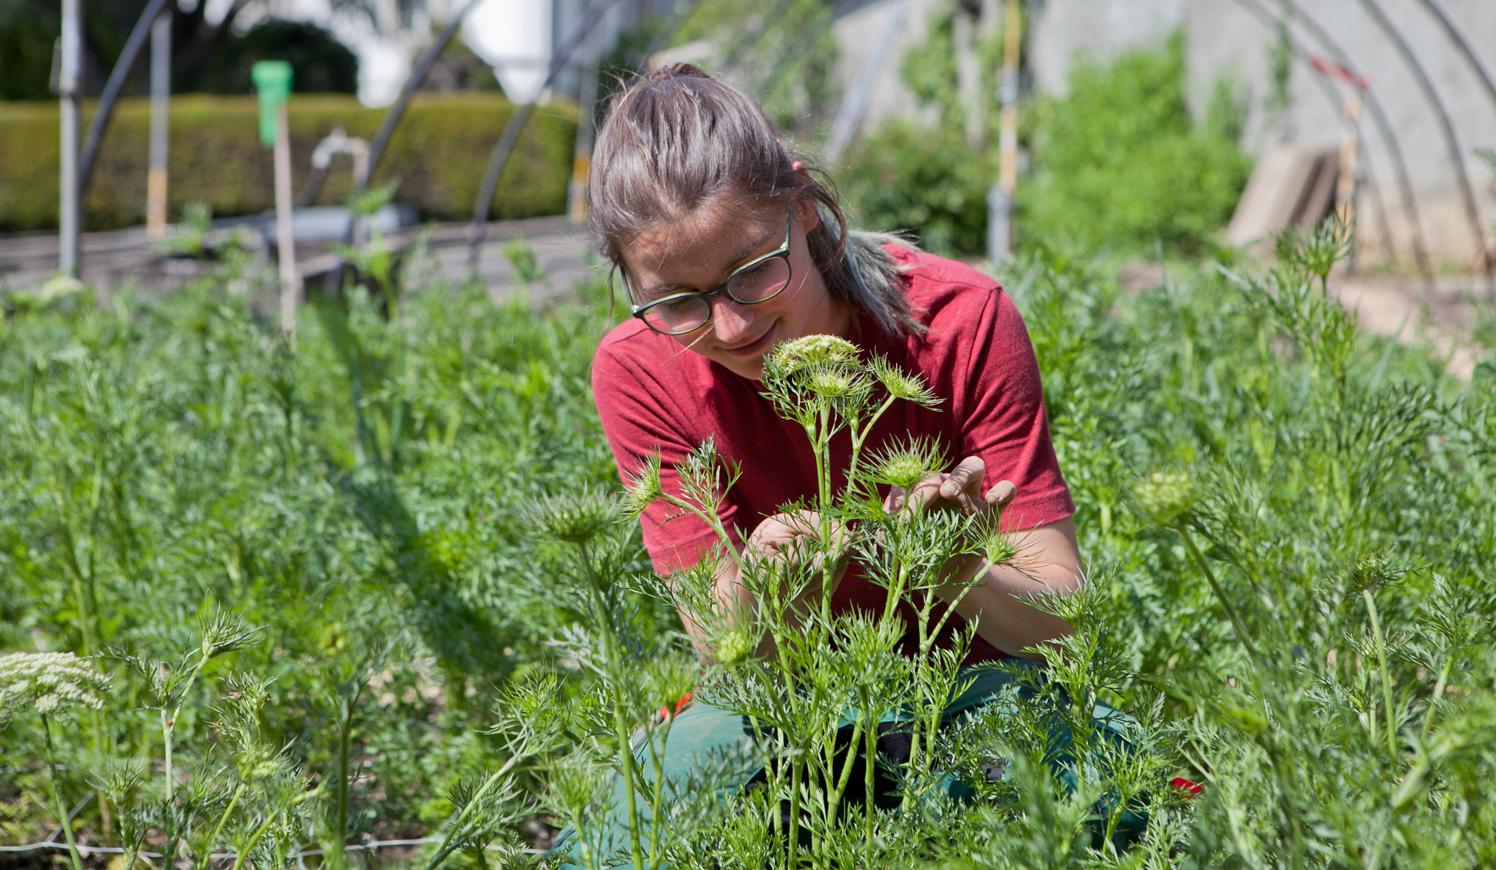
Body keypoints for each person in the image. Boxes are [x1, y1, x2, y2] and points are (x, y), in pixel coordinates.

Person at [557, 63, 1092, 862]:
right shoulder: (638, 368)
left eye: (753, 273)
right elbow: (719, 646)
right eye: (678, 301)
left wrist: (949, 567)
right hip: (787, 704)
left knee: (1098, 802)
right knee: (620, 841)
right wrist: (773, 595)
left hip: (974, 691)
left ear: (804, 209)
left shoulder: (960, 321)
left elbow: (1064, 622)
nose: (731, 328)